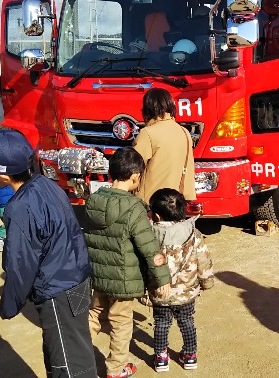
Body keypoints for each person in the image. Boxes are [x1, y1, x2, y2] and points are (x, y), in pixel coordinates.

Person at [0, 130, 97, 378]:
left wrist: (9, 304)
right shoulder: (45, 184)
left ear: (1, 175)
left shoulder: (20, 207)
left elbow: (20, 264)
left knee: (68, 363)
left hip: (57, 289)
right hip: (76, 278)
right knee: (70, 351)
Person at [83, 147, 171, 378]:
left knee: (94, 315)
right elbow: (149, 247)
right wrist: (162, 277)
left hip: (98, 273)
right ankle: (116, 367)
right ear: (135, 177)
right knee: (121, 322)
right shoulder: (134, 209)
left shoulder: (94, 200)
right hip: (123, 279)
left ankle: (79, 358)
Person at [148, 188, 214, 373]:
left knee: (161, 323)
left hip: (159, 291)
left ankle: (161, 357)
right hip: (186, 292)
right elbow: (203, 260)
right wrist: (206, 281)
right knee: (187, 321)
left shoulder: (149, 235)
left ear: (158, 216)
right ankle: (190, 355)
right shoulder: (193, 233)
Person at [133, 88, 197, 203]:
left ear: (147, 109)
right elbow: (188, 170)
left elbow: (132, 169)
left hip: (150, 203)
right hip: (174, 202)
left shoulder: (147, 134)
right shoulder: (184, 132)